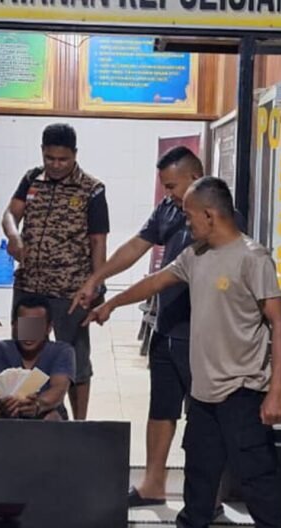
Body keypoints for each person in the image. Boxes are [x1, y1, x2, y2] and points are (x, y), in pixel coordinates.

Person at [85, 177, 281, 528]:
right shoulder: (195, 254)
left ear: (210, 215)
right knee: (199, 474)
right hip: (204, 392)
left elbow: (279, 323)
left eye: (189, 215)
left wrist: (277, 390)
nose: (186, 222)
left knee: (258, 477)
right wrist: (111, 303)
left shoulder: (253, 258)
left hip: (243, 390)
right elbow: (154, 282)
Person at [72, 146, 207, 507]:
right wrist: (97, 278)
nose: (168, 193)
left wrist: (113, 302)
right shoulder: (169, 209)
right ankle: (153, 484)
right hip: (167, 329)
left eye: (172, 186)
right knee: (161, 409)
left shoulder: (216, 215)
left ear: (195, 178)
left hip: (202, 338)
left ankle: (207, 495)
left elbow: (164, 277)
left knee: (204, 418)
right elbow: (137, 245)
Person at [2, 123, 109, 421]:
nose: (56, 165)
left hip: (70, 293)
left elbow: (98, 241)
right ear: (42, 152)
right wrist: (14, 235)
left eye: (63, 159)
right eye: (50, 158)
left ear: (75, 154)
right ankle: (30, 414)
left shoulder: (92, 189)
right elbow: (10, 214)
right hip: (31, 290)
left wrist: (97, 284)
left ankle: (79, 423)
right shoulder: (32, 179)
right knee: (29, 352)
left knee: (74, 359)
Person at [0, 297, 74, 421]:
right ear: (14, 326)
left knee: (51, 417)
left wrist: (37, 405)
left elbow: (59, 388)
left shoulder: (62, 351)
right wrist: (7, 404)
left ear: (48, 328)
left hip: (47, 412)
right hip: (9, 413)